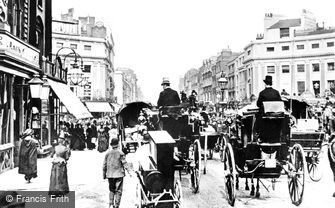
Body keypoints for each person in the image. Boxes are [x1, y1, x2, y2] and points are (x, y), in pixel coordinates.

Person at [103, 138, 131, 208]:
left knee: (111, 190)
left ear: (111, 145)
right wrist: (129, 172)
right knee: (118, 191)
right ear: (118, 144)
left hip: (110, 175)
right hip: (119, 175)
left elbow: (104, 165)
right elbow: (125, 163)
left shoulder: (107, 154)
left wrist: (104, 174)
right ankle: (116, 205)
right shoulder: (120, 153)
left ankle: (111, 204)